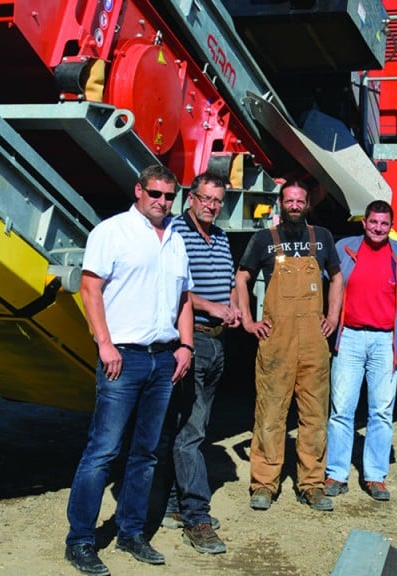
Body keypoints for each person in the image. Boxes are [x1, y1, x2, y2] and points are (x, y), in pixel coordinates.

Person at [64, 165, 195, 576]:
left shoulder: (176, 238)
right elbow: (90, 288)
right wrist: (104, 343)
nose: (161, 202)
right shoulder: (112, 231)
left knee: (147, 453)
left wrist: (186, 345)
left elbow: (184, 297)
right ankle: (80, 540)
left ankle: (131, 532)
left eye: (169, 196)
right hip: (123, 355)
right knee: (103, 450)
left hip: (163, 358)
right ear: (139, 190)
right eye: (155, 193)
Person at [235, 177, 343, 512]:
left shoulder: (321, 237)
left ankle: (311, 483)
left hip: (314, 339)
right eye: (289, 201)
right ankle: (264, 484)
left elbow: (337, 277)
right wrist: (248, 320)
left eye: (300, 201)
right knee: (270, 412)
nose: (294, 205)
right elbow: (242, 277)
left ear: (307, 204)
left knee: (314, 414)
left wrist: (333, 315)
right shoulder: (265, 239)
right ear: (281, 204)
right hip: (276, 339)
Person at [151, 171, 239, 555]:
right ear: (191, 198)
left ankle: (172, 505)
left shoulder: (220, 236)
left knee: (185, 427)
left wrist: (235, 308)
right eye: (205, 198)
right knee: (191, 433)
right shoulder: (175, 233)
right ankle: (196, 517)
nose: (211, 206)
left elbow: (231, 280)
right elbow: (176, 289)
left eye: (217, 200)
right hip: (191, 340)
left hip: (218, 342)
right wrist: (213, 307)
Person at [324, 200, 397, 502]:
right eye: (373, 222)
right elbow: (328, 284)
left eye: (384, 224)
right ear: (363, 223)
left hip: (385, 342)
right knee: (341, 409)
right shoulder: (344, 248)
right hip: (351, 337)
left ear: (390, 226)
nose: (378, 228)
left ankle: (375, 476)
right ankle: (336, 473)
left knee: (381, 411)